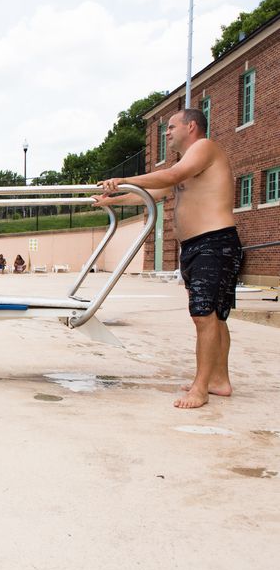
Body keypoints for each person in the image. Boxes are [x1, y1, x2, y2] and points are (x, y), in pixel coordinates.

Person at [93, 108, 242, 409]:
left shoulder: (205, 148)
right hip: (198, 246)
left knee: (204, 314)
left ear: (191, 126)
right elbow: (154, 194)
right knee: (214, 316)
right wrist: (111, 200)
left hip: (214, 242)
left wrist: (122, 179)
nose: (167, 133)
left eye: (171, 127)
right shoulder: (187, 162)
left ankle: (200, 388)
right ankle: (218, 380)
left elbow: (171, 176)